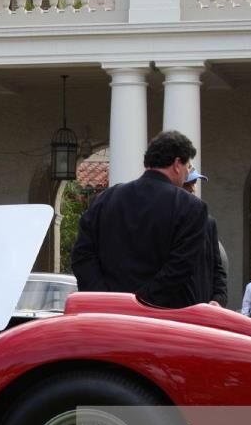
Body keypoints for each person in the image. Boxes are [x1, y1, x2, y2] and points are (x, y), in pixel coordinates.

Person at [70, 130, 212, 309]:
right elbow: (181, 267)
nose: (186, 173)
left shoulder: (105, 199)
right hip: (164, 318)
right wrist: (141, 303)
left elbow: (82, 256)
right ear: (177, 164)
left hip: (108, 315)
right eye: (187, 167)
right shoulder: (191, 207)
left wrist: (105, 297)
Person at [181, 170, 227, 305]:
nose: (192, 189)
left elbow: (218, 269)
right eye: (187, 184)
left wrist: (218, 300)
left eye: (194, 183)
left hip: (202, 309)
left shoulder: (208, 222)